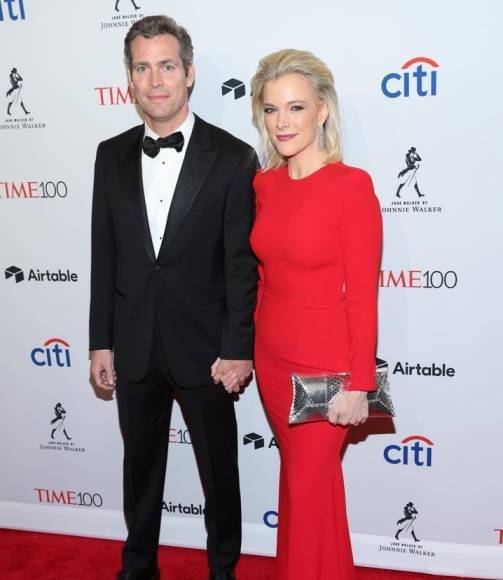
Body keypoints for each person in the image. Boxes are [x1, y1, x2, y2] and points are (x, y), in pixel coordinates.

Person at [89, 15, 258, 580]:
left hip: (207, 349)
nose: (155, 80)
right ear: (130, 80)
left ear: (189, 73)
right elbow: (104, 254)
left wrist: (237, 347)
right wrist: (100, 341)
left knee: (219, 474)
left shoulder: (233, 157)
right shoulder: (109, 154)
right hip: (134, 342)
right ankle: (137, 567)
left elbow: (241, 267)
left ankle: (223, 569)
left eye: (166, 66)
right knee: (139, 470)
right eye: (142, 68)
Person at [250, 49, 382, 580]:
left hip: (326, 372)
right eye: (271, 109)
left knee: (306, 493)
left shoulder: (351, 186)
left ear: (322, 110)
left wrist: (360, 383)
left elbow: (364, 295)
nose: (282, 122)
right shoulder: (265, 184)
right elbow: (264, 277)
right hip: (272, 362)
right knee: (308, 492)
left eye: (296, 107)